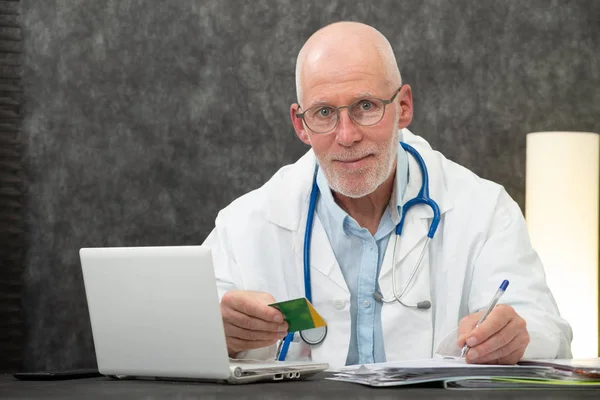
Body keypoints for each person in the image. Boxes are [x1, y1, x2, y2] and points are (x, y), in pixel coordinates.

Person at [202, 21, 572, 369]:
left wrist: (516, 336)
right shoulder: (245, 223)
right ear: (301, 124)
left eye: (365, 106)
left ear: (404, 107)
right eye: (325, 112)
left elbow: (547, 330)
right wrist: (222, 336)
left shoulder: (484, 209)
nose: (346, 136)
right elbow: (180, 334)